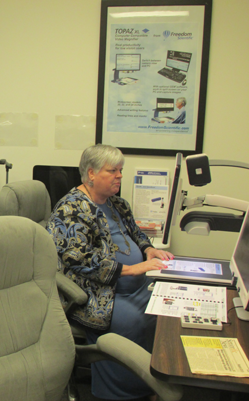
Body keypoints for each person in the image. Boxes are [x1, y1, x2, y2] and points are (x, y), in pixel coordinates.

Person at [46, 144, 174, 400]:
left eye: (121, 170)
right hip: (98, 294)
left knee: (164, 310)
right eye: (112, 170)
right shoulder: (70, 209)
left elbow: (135, 233)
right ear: (91, 174)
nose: (120, 176)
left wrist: (148, 250)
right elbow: (79, 259)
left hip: (133, 287)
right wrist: (132, 269)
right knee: (135, 321)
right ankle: (123, 393)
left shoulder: (116, 203)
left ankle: (153, 381)